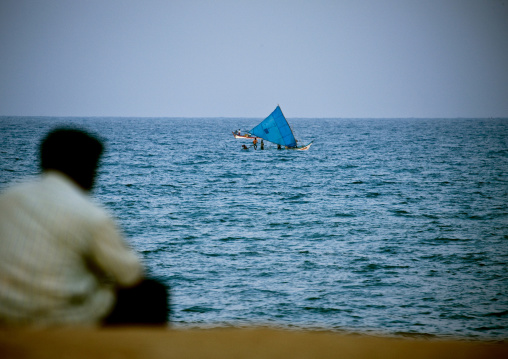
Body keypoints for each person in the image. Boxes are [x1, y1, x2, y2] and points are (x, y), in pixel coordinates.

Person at [0, 128, 169, 327]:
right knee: (152, 292)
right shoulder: (91, 214)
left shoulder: (9, 198)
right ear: (86, 167)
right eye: (95, 167)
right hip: (60, 319)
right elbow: (130, 275)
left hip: (6, 314)